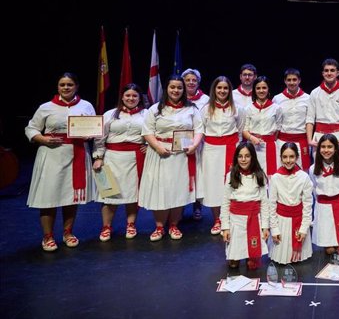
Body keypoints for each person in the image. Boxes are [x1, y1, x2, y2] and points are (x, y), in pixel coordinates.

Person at [25, 72, 96, 251]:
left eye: (69, 84)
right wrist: (42, 139)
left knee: (70, 196)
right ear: (58, 87)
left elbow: (95, 128)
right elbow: (31, 128)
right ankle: (48, 236)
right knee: (49, 197)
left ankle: (68, 232)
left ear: (76, 86)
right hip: (51, 155)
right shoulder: (46, 107)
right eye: (62, 84)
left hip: (77, 154)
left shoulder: (86, 106)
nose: (66, 88)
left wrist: (91, 135)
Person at [139, 75, 204, 241]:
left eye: (179, 88)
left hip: (182, 155)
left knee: (178, 190)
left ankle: (174, 225)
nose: (176, 90)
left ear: (183, 90)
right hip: (160, 153)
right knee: (160, 190)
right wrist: (158, 147)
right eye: (172, 87)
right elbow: (147, 132)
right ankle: (160, 226)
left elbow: (199, 130)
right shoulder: (155, 109)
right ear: (167, 89)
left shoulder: (192, 109)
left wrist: (194, 146)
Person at [92, 83, 148, 241]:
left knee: (132, 195)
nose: (131, 98)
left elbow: (154, 133)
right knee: (108, 195)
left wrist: (149, 146)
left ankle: (131, 224)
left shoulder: (147, 114)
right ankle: (106, 226)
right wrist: (98, 157)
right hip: (111, 158)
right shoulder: (110, 114)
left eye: (134, 96)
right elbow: (99, 138)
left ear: (139, 98)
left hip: (135, 159)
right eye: (128, 95)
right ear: (122, 97)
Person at [200, 76, 244, 235]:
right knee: (213, 186)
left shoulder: (237, 108)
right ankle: (217, 220)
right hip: (211, 151)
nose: (222, 91)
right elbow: (201, 130)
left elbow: (240, 129)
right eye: (219, 88)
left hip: (232, 149)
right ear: (214, 89)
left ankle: (232, 218)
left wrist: (237, 150)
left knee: (233, 184)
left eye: (225, 88)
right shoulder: (205, 109)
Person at [220, 142, 269, 270]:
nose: (243, 159)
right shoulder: (231, 175)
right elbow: (225, 203)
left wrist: (265, 227)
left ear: (252, 157)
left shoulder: (260, 176)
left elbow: (264, 203)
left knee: (252, 265)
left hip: (253, 220)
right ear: (236, 158)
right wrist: (225, 227)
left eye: (247, 156)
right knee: (233, 265)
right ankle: (235, 255)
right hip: (236, 222)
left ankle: (251, 256)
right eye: (240, 156)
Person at [309, 133, 339, 257]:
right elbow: (314, 189)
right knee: (330, 250)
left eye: (330, 147)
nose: (326, 150)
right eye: (323, 147)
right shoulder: (313, 169)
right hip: (323, 208)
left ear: (336, 149)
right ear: (319, 149)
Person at [268, 142, 313, 264]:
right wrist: (274, 229)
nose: (288, 160)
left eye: (292, 157)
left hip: (299, 219)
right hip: (282, 222)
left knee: (299, 263)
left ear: (297, 157)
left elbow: (308, 205)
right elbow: (271, 206)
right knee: (281, 261)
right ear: (281, 158)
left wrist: (304, 228)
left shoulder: (304, 177)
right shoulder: (276, 178)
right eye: (285, 157)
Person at [306, 58, 339, 163]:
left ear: (337, 73)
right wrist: (309, 140)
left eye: (332, 70)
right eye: (326, 70)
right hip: (319, 136)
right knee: (319, 172)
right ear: (322, 73)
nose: (329, 73)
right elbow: (310, 118)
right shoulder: (315, 93)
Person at [181, 68, 209, 221]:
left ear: (198, 82)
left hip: (200, 141)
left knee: (197, 174)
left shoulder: (206, 100)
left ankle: (197, 205)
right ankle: (179, 206)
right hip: (182, 140)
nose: (191, 82)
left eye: (194, 80)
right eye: (187, 80)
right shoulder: (177, 96)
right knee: (182, 173)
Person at [243, 76, 282, 179]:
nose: (261, 91)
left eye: (264, 88)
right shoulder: (248, 109)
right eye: (258, 88)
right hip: (253, 146)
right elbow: (244, 130)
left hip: (270, 147)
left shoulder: (276, 108)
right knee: (253, 175)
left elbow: (278, 128)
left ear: (268, 89)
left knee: (271, 177)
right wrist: (252, 138)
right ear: (254, 90)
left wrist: (268, 139)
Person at [273, 68, 311, 169]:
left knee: (303, 172)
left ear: (299, 80)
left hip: (301, 140)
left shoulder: (308, 98)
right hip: (282, 140)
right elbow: (275, 122)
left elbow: (310, 121)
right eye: (289, 80)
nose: (292, 82)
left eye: (294, 80)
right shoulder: (277, 99)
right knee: (282, 170)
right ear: (285, 81)